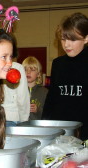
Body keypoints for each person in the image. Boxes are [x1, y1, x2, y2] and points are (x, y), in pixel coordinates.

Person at [42, 12, 88, 141]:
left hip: (84, 134)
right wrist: (45, 125)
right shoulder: (58, 64)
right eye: (63, 39)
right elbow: (51, 99)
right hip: (60, 132)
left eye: (72, 39)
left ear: (86, 38)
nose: (66, 45)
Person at [1, 35, 30, 126]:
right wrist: (24, 120)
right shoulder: (17, 67)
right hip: (11, 119)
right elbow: (22, 98)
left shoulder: (17, 68)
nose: (8, 63)